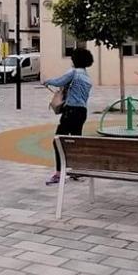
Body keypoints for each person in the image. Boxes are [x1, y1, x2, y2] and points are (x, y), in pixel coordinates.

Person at [43, 48, 94, 186]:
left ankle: (59, 173)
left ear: (75, 60)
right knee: (75, 141)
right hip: (82, 112)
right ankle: (77, 170)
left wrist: (47, 81)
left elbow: (59, 81)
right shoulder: (87, 77)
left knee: (58, 140)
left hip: (70, 111)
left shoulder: (74, 73)